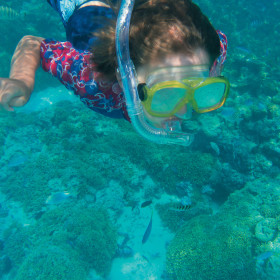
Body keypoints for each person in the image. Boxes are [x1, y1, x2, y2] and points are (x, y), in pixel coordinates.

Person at [0, 0, 229, 145]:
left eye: (198, 89)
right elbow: (33, 44)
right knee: (83, 15)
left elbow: (219, 42)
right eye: (166, 93)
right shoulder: (93, 83)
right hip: (89, 13)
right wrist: (21, 80)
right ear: (124, 77)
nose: (185, 111)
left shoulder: (209, 55)